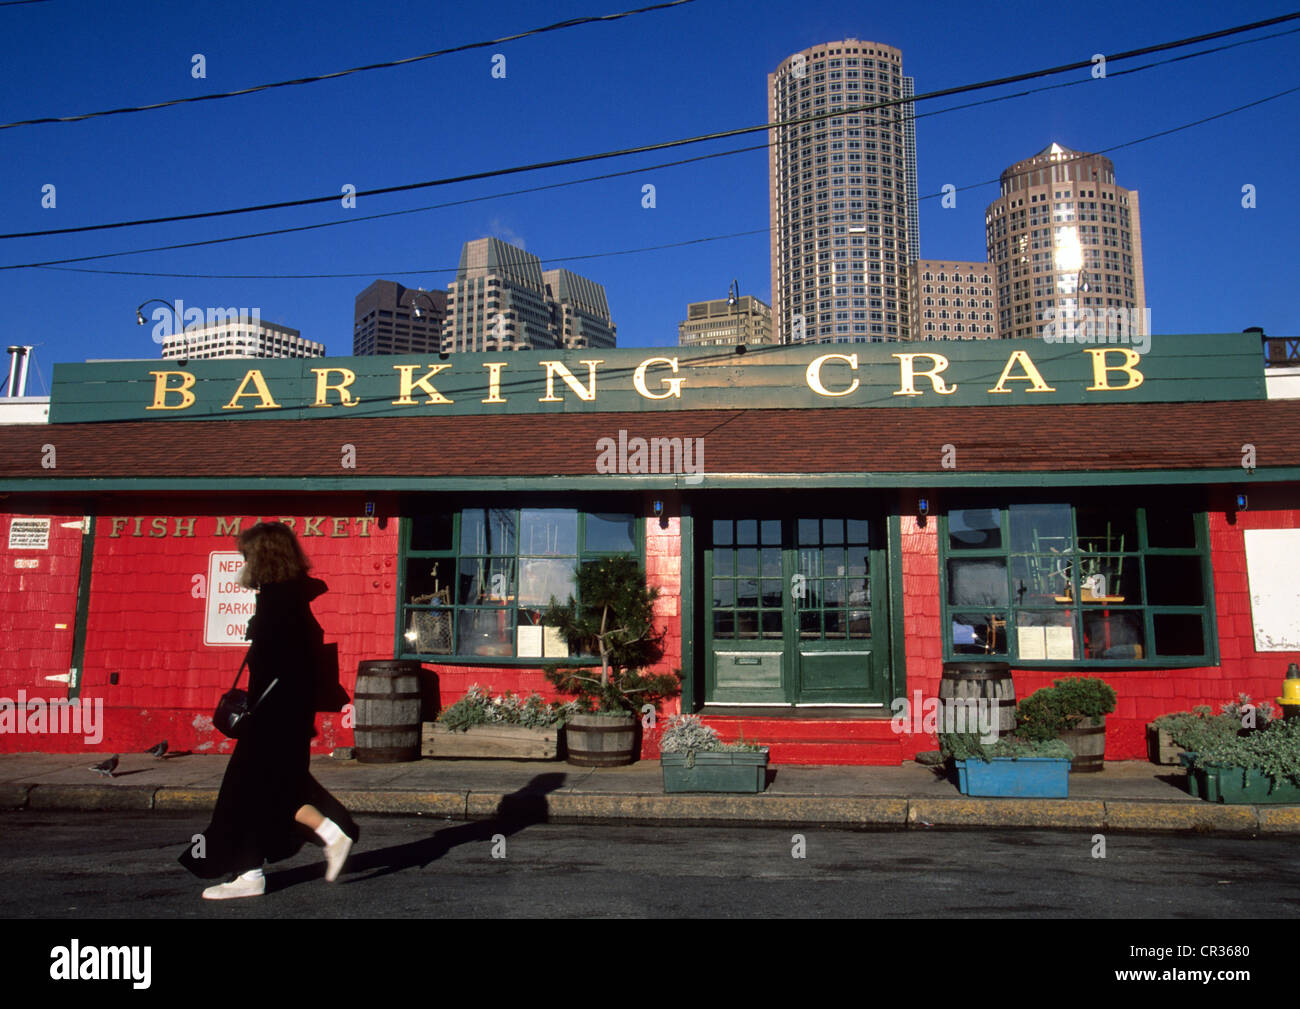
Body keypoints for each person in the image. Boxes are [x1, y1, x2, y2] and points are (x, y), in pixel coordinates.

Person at [179, 521, 357, 899]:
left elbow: (287, 666)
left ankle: (261, 868)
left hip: (274, 718)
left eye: (246, 554)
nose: (242, 561)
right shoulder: (287, 598)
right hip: (285, 717)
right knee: (270, 789)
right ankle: (270, 861)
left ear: (261, 557)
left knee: (246, 792)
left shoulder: (280, 603)